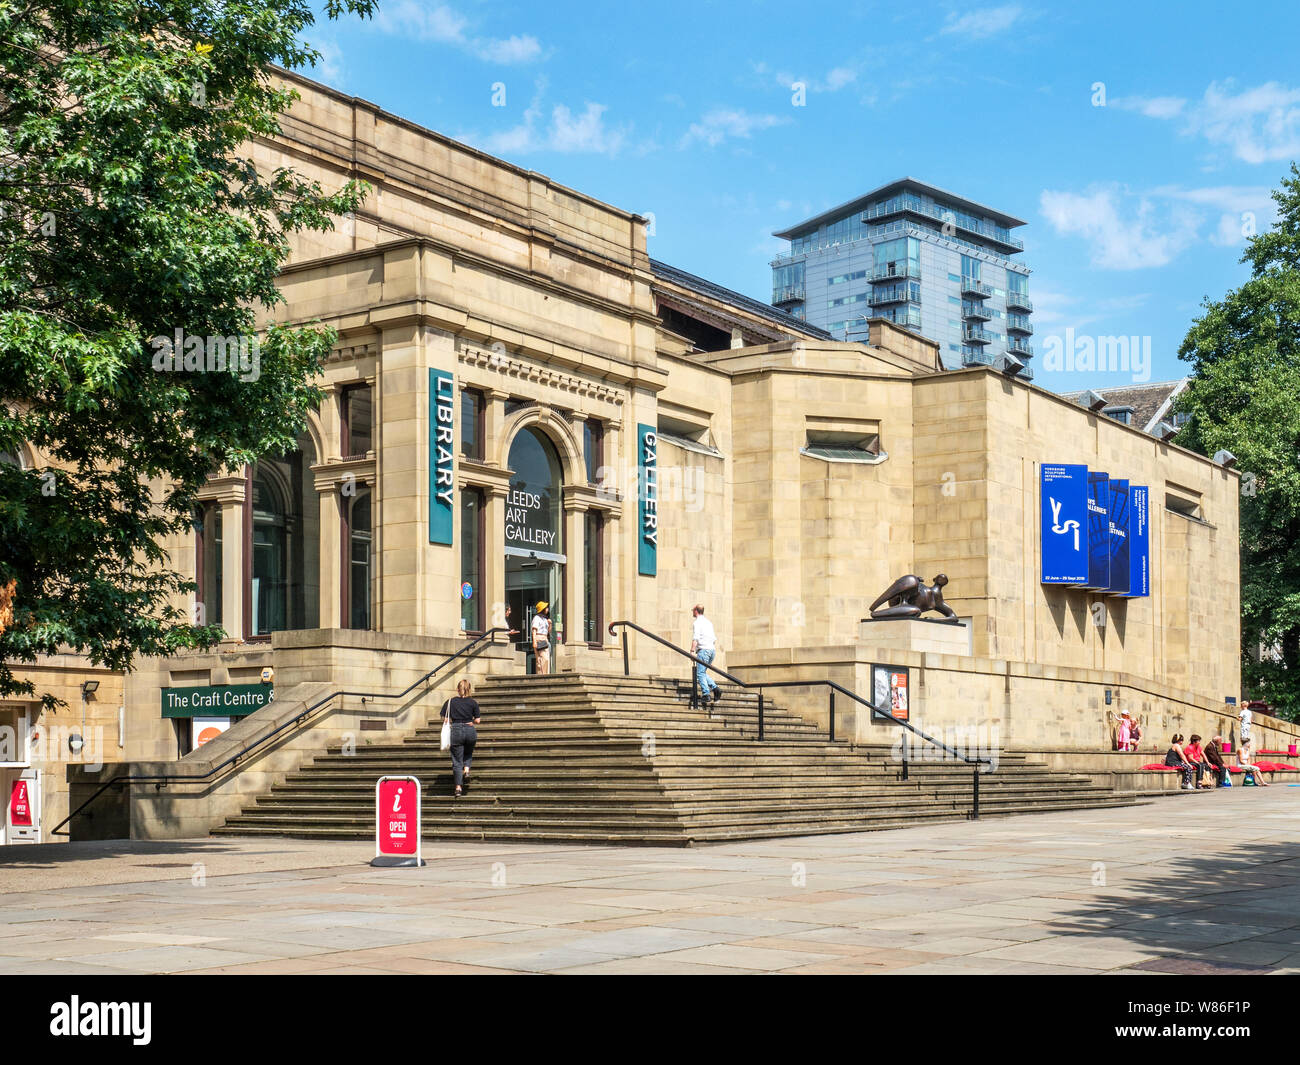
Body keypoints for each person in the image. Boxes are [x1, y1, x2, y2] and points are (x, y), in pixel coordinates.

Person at [440, 678, 481, 798]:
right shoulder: (473, 703)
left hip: (456, 730)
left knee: (457, 761)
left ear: (458, 689)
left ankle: (458, 788)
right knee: (468, 752)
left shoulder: (450, 702)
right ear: (469, 689)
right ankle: (467, 770)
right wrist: (470, 721)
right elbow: (478, 720)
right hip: (470, 730)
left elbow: (445, 718)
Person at [690, 604, 721, 705]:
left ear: (696, 611)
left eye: (692, 610)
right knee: (702, 672)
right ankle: (716, 689)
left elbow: (696, 638)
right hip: (712, 650)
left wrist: (692, 651)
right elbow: (713, 639)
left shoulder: (697, 623)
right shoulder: (709, 622)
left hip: (703, 650)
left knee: (700, 673)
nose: (692, 612)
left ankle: (706, 694)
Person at [531, 601, 552, 675]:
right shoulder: (536, 618)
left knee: (546, 659)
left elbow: (548, 631)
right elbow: (534, 630)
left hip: (545, 638)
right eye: (546, 608)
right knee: (541, 658)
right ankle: (541, 675)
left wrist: (550, 624)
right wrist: (534, 641)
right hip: (539, 637)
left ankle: (546, 674)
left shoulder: (545, 619)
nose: (547, 609)